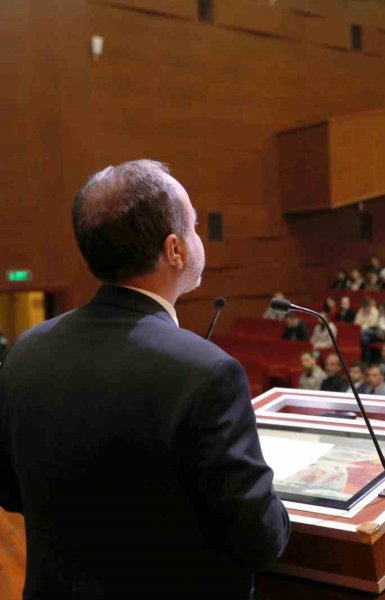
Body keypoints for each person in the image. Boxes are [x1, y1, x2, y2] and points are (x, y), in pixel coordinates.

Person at [0, 160, 290, 598]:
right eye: (193, 227)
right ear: (175, 250)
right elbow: (261, 539)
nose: (198, 238)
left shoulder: (27, 351)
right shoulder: (207, 373)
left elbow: (11, 492)